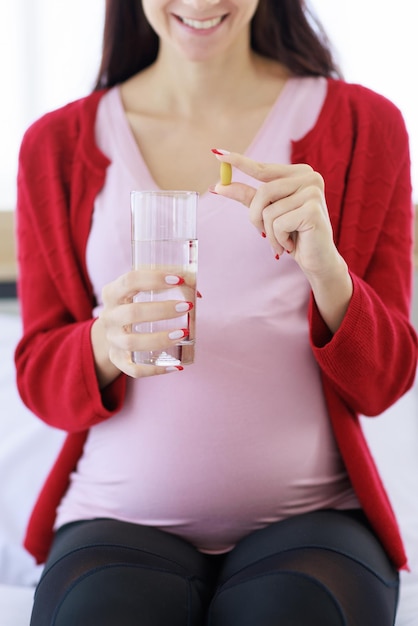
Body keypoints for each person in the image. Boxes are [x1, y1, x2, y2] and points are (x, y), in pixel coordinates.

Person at [15, 0, 417, 624]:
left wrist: (327, 272)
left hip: (315, 519)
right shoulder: (56, 143)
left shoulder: (365, 124)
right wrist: (101, 342)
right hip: (117, 516)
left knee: (294, 609)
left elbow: (385, 383)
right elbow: (38, 378)